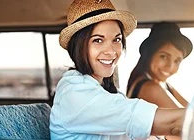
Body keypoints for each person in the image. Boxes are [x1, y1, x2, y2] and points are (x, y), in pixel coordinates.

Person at [49, 0, 186, 139]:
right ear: (78, 46)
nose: (111, 51)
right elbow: (169, 122)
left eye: (117, 40)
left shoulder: (105, 91)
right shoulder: (75, 93)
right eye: (98, 40)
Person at [127, 22, 193, 109]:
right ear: (149, 55)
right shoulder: (150, 88)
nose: (170, 66)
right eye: (164, 57)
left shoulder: (166, 85)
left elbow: (192, 110)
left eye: (177, 61)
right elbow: (188, 119)